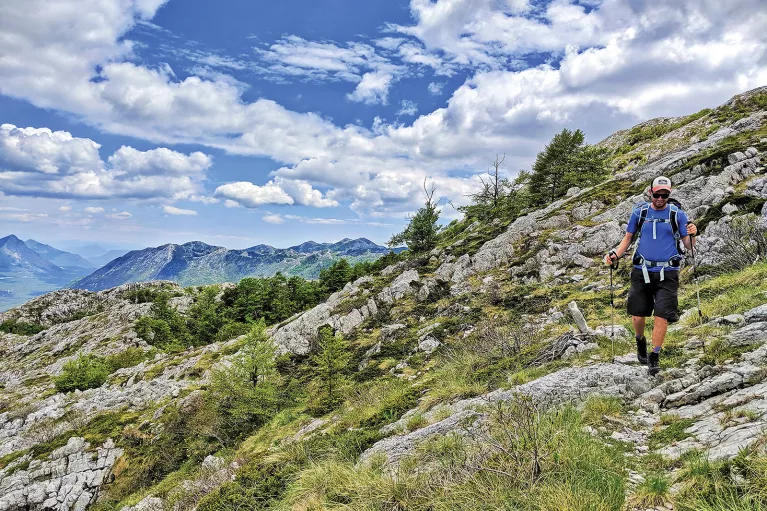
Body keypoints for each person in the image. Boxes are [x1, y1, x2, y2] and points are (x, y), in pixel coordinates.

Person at [604, 176, 697, 375]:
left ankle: (654, 356)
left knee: (662, 316)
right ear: (650, 192)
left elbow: (688, 246)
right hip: (642, 271)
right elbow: (628, 238)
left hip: (668, 272)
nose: (660, 198)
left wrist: (692, 234)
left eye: (665, 195)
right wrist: (615, 254)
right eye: (657, 195)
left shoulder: (677, 215)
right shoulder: (640, 213)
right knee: (638, 316)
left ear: (669, 194)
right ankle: (640, 341)